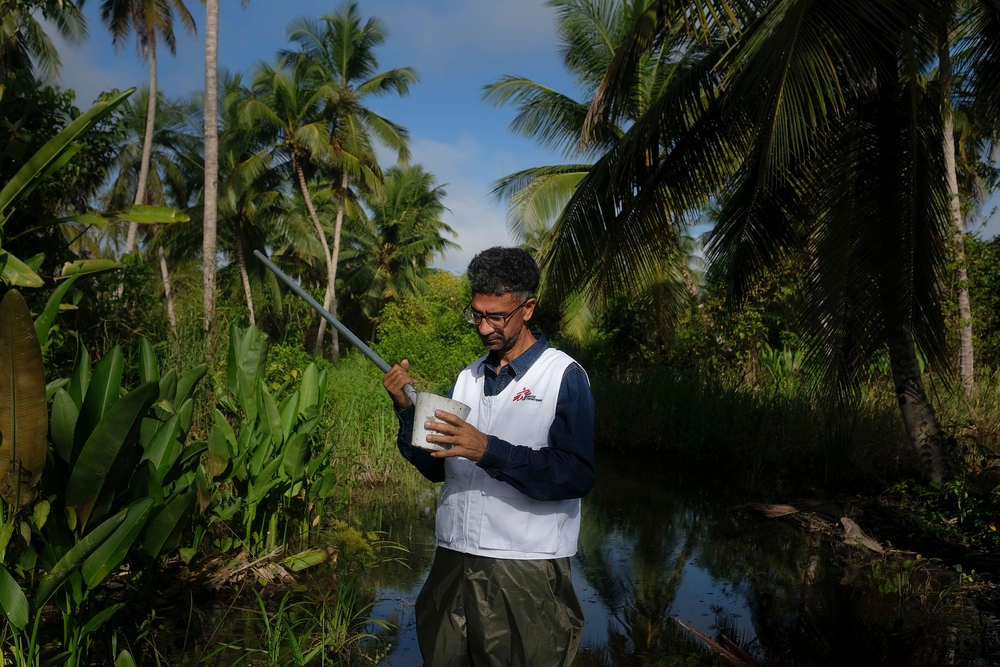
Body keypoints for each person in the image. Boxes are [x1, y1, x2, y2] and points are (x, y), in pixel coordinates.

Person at [382, 246, 596, 667]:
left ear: (528, 308)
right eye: (476, 315)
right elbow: (437, 468)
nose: (483, 328)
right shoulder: (468, 376)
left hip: (525, 567)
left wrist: (488, 450)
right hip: (453, 558)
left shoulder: (563, 377)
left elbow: (575, 474)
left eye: (496, 317)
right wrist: (407, 412)